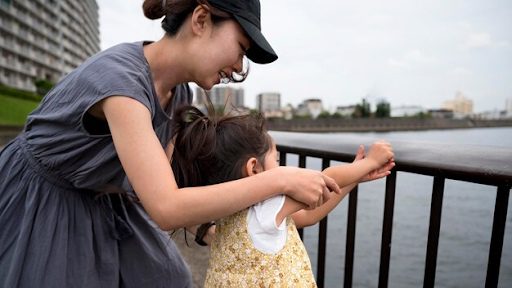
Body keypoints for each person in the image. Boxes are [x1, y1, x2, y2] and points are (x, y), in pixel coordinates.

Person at [0, 0, 342, 287]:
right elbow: (166, 207)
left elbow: (167, 185)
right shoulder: (121, 84)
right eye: (241, 48)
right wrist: (278, 179)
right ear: (201, 19)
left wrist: (211, 230)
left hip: (107, 199)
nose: (239, 67)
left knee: (168, 277)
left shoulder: (180, 92)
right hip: (43, 198)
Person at [170, 105, 395, 287]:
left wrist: (354, 176)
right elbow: (326, 178)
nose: (282, 167)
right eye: (276, 161)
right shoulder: (267, 207)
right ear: (254, 169)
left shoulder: (223, 212)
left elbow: (309, 215)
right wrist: (370, 162)